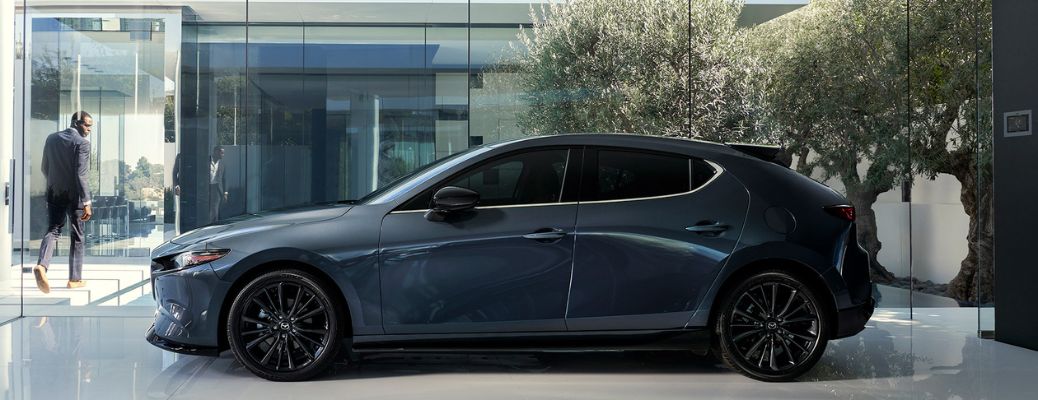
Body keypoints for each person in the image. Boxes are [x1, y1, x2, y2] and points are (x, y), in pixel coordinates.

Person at [33, 111, 94, 293]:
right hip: (75, 195)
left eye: (91, 126)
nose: (89, 129)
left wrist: (55, 184)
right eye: (87, 125)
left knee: (53, 229)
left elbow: (45, 167)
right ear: (76, 123)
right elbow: (80, 174)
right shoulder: (82, 143)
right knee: (77, 235)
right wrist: (87, 202)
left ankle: (42, 266)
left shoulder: (52, 139)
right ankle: (74, 279)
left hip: (55, 192)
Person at [208, 145, 227, 223]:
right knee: (206, 208)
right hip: (206, 187)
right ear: (216, 152)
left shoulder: (222, 164)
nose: (223, 155)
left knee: (215, 208)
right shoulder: (206, 160)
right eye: (221, 153)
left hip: (216, 188)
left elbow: (225, 178)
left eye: (223, 153)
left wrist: (225, 192)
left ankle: (214, 224)